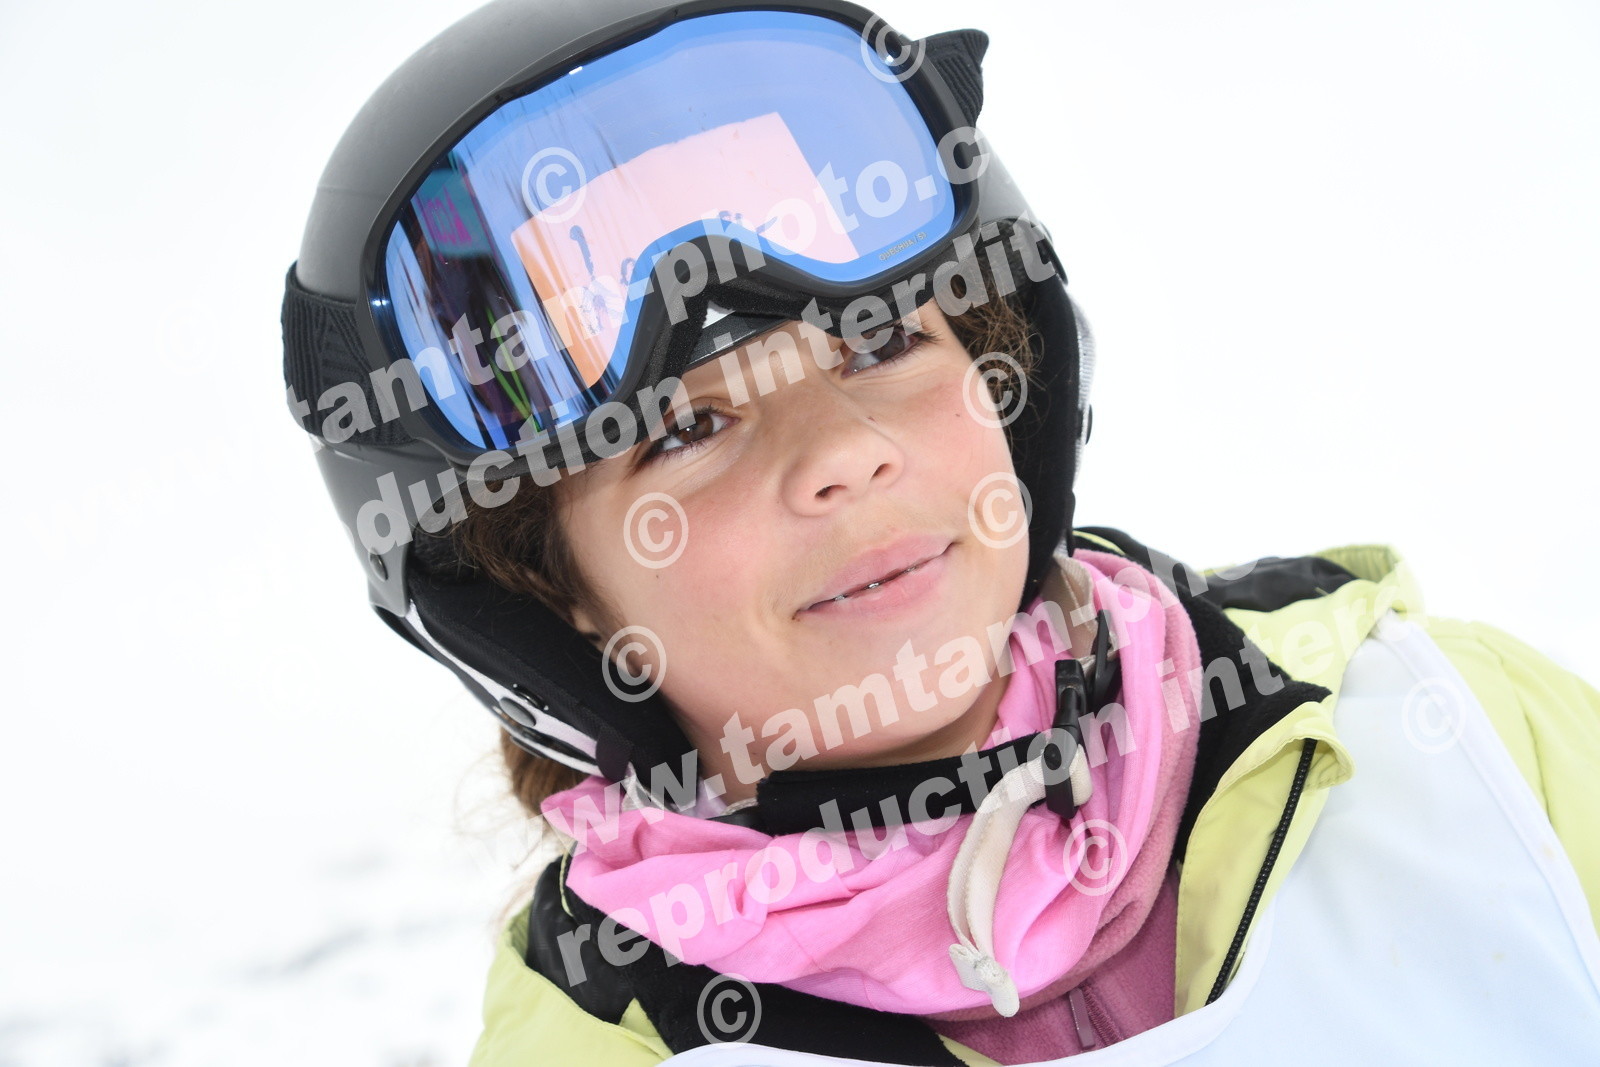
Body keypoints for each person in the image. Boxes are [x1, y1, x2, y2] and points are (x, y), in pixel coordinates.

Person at [279, 0, 1600, 1062]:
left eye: (877, 342)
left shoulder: (1459, 739)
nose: (843, 452)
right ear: (548, 592)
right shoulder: (597, 1044)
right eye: (684, 431)